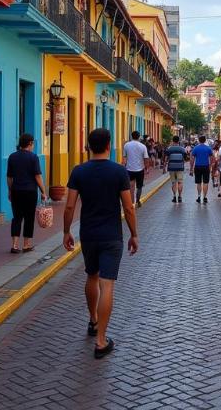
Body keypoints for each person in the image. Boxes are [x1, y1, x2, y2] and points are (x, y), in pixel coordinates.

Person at [63, 128, 138, 359]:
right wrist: (134, 234)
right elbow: (128, 207)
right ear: (108, 145)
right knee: (107, 285)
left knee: (91, 276)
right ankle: (101, 340)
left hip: (88, 234)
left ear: (88, 146)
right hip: (111, 236)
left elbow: (69, 206)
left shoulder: (79, 171)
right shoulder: (118, 172)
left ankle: (93, 321)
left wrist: (66, 232)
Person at [6, 133, 47, 254]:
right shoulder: (33, 157)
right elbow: (38, 176)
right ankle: (26, 245)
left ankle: (14, 245)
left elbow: (9, 177)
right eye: (33, 143)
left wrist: (10, 190)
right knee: (29, 218)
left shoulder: (12, 157)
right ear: (30, 143)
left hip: (16, 191)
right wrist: (43, 191)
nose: (33, 145)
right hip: (30, 192)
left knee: (17, 217)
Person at [122, 130, 150, 208]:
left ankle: (132, 203)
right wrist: (147, 168)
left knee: (131, 186)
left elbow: (124, 158)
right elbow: (146, 158)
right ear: (139, 137)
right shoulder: (143, 146)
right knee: (139, 186)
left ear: (131, 136)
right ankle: (138, 200)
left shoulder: (126, 145)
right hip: (140, 169)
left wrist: (123, 166)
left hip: (129, 169)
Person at [189, 135, 214, 204]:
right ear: (205, 140)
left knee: (198, 182)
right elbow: (212, 158)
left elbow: (192, 159)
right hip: (206, 166)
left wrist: (191, 168)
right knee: (206, 183)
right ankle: (205, 197)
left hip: (197, 166)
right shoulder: (208, 148)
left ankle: (199, 196)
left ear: (199, 140)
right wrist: (210, 166)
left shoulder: (195, 148)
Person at [164, 135, 188, 203]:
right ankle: (180, 196)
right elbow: (186, 158)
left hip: (171, 167)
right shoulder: (182, 149)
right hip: (180, 167)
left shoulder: (169, 149)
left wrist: (164, 167)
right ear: (178, 141)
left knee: (173, 182)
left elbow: (166, 159)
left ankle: (174, 197)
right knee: (180, 182)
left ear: (172, 141)